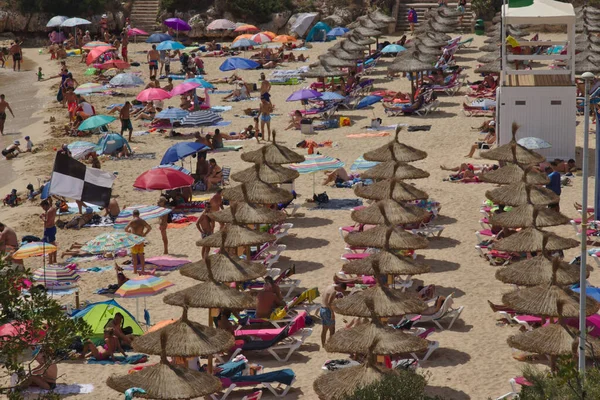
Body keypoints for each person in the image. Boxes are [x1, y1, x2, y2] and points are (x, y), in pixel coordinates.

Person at [125, 209, 152, 274]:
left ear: (133, 214)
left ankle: (135, 271)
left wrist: (130, 232)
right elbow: (149, 228)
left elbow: (125, 229)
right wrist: (144, 234)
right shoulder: (142, 221)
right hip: (140, 239)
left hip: (134, 240)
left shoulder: (132, 221)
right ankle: (143, 270)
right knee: (141, 255)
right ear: (139, 214)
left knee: (134, 256)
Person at [40, 200, 57, 264]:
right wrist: (45, 214)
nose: (43, 209)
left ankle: (50, 261)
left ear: (45, 205)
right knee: (53, 243)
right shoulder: (53, 209)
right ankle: (54, 259)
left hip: (49, 229)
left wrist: (42, 217)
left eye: (43, 207)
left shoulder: (49, 211)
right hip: (53, 227)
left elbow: (47, 221)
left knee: (49, 245)